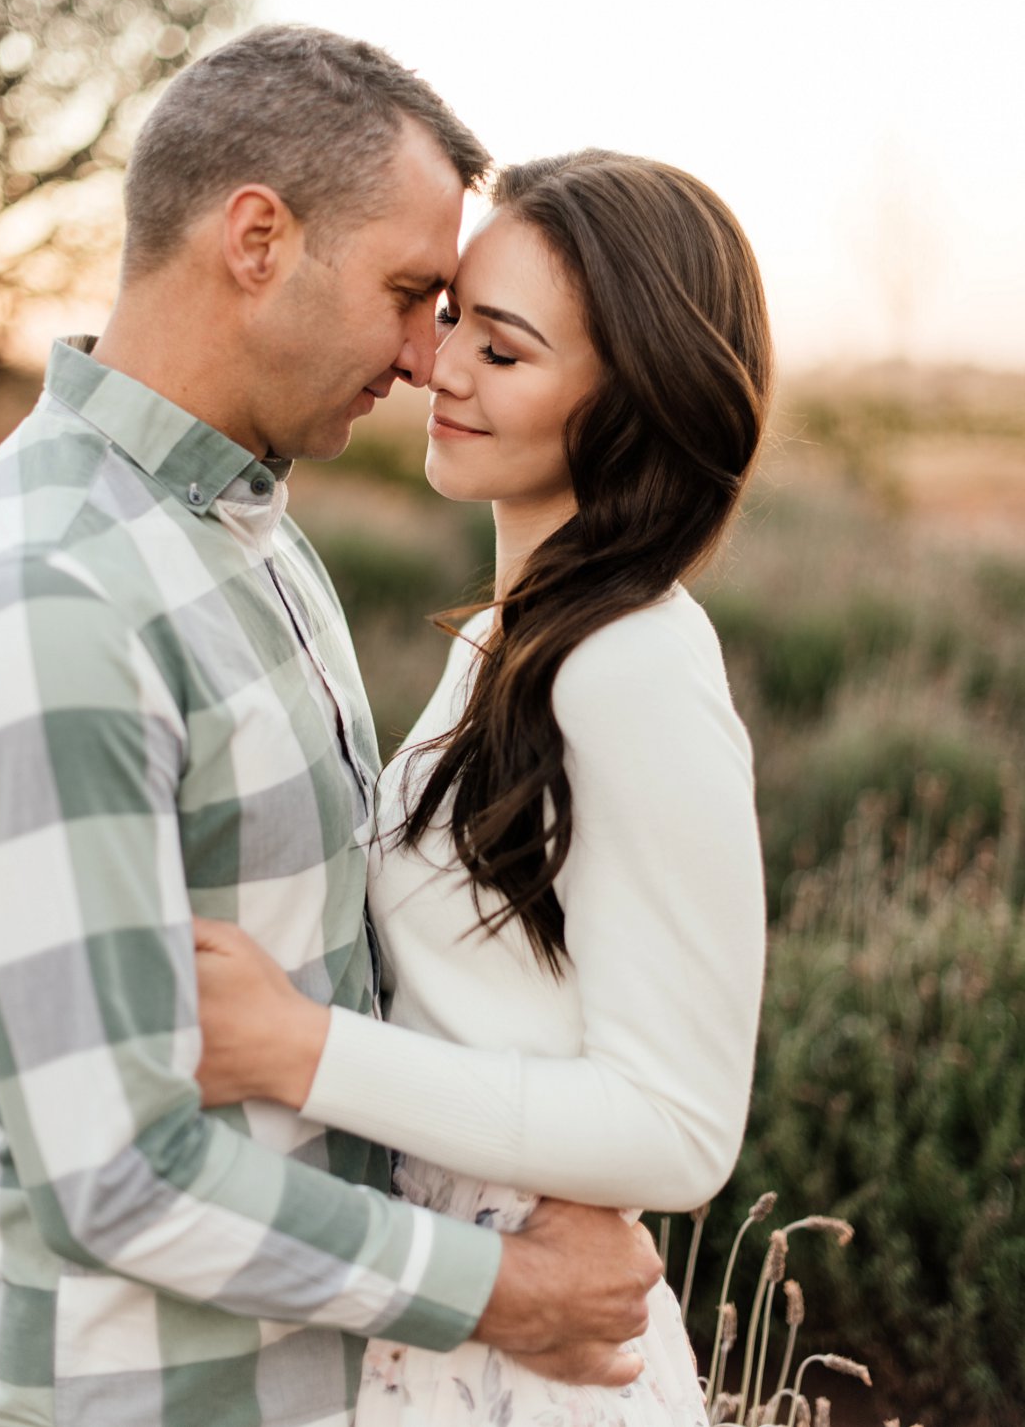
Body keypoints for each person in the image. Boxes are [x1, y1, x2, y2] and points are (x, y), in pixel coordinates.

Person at [0, 30, 664, 1427]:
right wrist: (509, 1288)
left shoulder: (248, 530)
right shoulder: (53, 592)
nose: (423, 356)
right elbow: (115, 1172)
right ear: (258, 239)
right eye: (409, 294)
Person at [191, 148, 772, 1425]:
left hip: (533, 1358)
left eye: (501, 353)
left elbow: (681, 1126)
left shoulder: (633, 661)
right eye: (453, 317)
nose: (438, 367)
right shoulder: (506, 638)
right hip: (434, 1316)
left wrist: (303, 1051)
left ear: (631, 403)